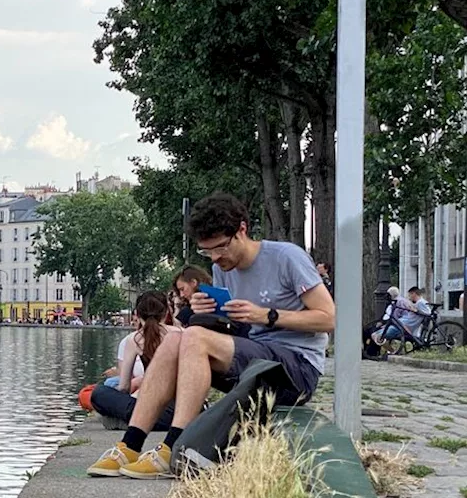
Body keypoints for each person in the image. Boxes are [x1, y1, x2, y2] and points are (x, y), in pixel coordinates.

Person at [89, 193, 335, 479]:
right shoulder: (222, 269)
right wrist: (205, 313)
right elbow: (235, 334)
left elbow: (330, 318)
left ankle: (173, 448)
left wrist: (266, 315)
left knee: (192, 337)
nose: (216, 258)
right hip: (253, 364)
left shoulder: (286, 257)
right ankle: (130, 444)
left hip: (295, 370)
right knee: (177, 338)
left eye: (221, 248)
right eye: (207, 253)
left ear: (242, 230)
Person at [86, 292, 181, 445]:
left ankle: (130, 421)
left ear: (137, 314)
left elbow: (124, 387)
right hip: (184, 413)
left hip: (152, 412)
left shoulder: (134, 339)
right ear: (166, 313)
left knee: (99, 393)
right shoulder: (182, 334)